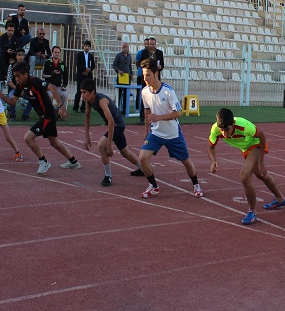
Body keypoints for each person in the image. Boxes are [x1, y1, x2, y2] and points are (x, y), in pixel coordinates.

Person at [0, 61, 79, 176]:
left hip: (49, 116)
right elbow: (12, 101)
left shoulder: (34, 81)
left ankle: (43, 161)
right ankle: (74, 162)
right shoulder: (20, 86)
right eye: (15, 76)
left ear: (25, 74)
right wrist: (1, 95)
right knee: (54, 143)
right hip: (44, 117)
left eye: (18, 76)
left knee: (28, 137)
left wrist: (60, 106)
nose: (16, 79)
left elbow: (52, 87)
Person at [137, 57, 203, 199]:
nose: (145, 78)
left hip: (173, 134)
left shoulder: (168, 91)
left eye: (148, 74)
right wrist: (146, 131)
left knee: (186, 162)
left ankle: (196, 184)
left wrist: (158, 117)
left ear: (156, 74)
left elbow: (178, 113)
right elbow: (147, 111)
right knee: (142, 158)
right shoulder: (144, 92)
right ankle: (154, 186)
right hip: (156, 133)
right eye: (143, 75)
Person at [207, 108, 285, 225]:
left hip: (255, 144)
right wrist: (213, 161)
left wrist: (261, 162)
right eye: (222, 130)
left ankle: (252, 212)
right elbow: (210, 146)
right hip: (245, 148)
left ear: (233, 124)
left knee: (244, 176)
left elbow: (261, 135)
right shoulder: (215, 129)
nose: (224, 134)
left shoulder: (244, 126)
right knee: (261, 175)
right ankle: (280, 199)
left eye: (227, 130)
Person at [79, 78, 143, 187]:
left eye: (84, 92)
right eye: (81, 92)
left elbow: (111, 121)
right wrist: (86, 137)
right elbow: (87, 117)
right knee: (124, 152)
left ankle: (108, 176)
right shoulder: (89, 101)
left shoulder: (101, 101)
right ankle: (143, 168)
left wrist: (109, 144)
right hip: (114, 125)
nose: (82, 95)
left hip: (117, 125)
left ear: (92, 92)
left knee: (101, 145)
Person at [42, 45, 68, 114]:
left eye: (58, 52)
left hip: (58, 87)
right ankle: (48, 113)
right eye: (55, 52)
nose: (57, 54)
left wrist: (64, 85)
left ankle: (62, 113)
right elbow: (44, 75)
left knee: (65, 95)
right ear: (52, 53)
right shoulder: (47, 62)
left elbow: (66, 76)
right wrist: (52, 73)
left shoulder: (62, 64)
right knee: (49, 95)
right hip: (49, 87)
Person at [72, 40, 96, 113]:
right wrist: (84, 69)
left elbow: (93, 65)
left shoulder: (91, 56)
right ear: (84, 46)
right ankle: (75, 108)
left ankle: (83, 108)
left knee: (87, 92)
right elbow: (78, 64)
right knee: (79, 92)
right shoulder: (79, 55)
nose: (87, 47)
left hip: (88, 76)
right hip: (80, 75)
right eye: (86, 46)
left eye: (88, 46)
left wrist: (89, 70)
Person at [112, 42, 133, 115]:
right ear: (121, 47)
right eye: (123, 47)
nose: (125, 48)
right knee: (119, 93)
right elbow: (114, 65)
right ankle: (116, 108)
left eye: (126, 47)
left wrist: (131, 74)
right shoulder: (118, 55)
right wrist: (118, 71)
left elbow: (130, 66)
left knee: (126, 94)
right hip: (120, 77)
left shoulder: (129, 56)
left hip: (127, 78)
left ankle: (124, 109)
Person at [135, 37, 150, 124]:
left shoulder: (153, 53)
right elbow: (138, 63)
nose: (147, 45)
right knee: (142, 95)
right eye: (146, 43)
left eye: (148, 43)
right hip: (142, 76)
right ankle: (141, 118)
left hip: (150, 78)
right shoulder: (141, 53)